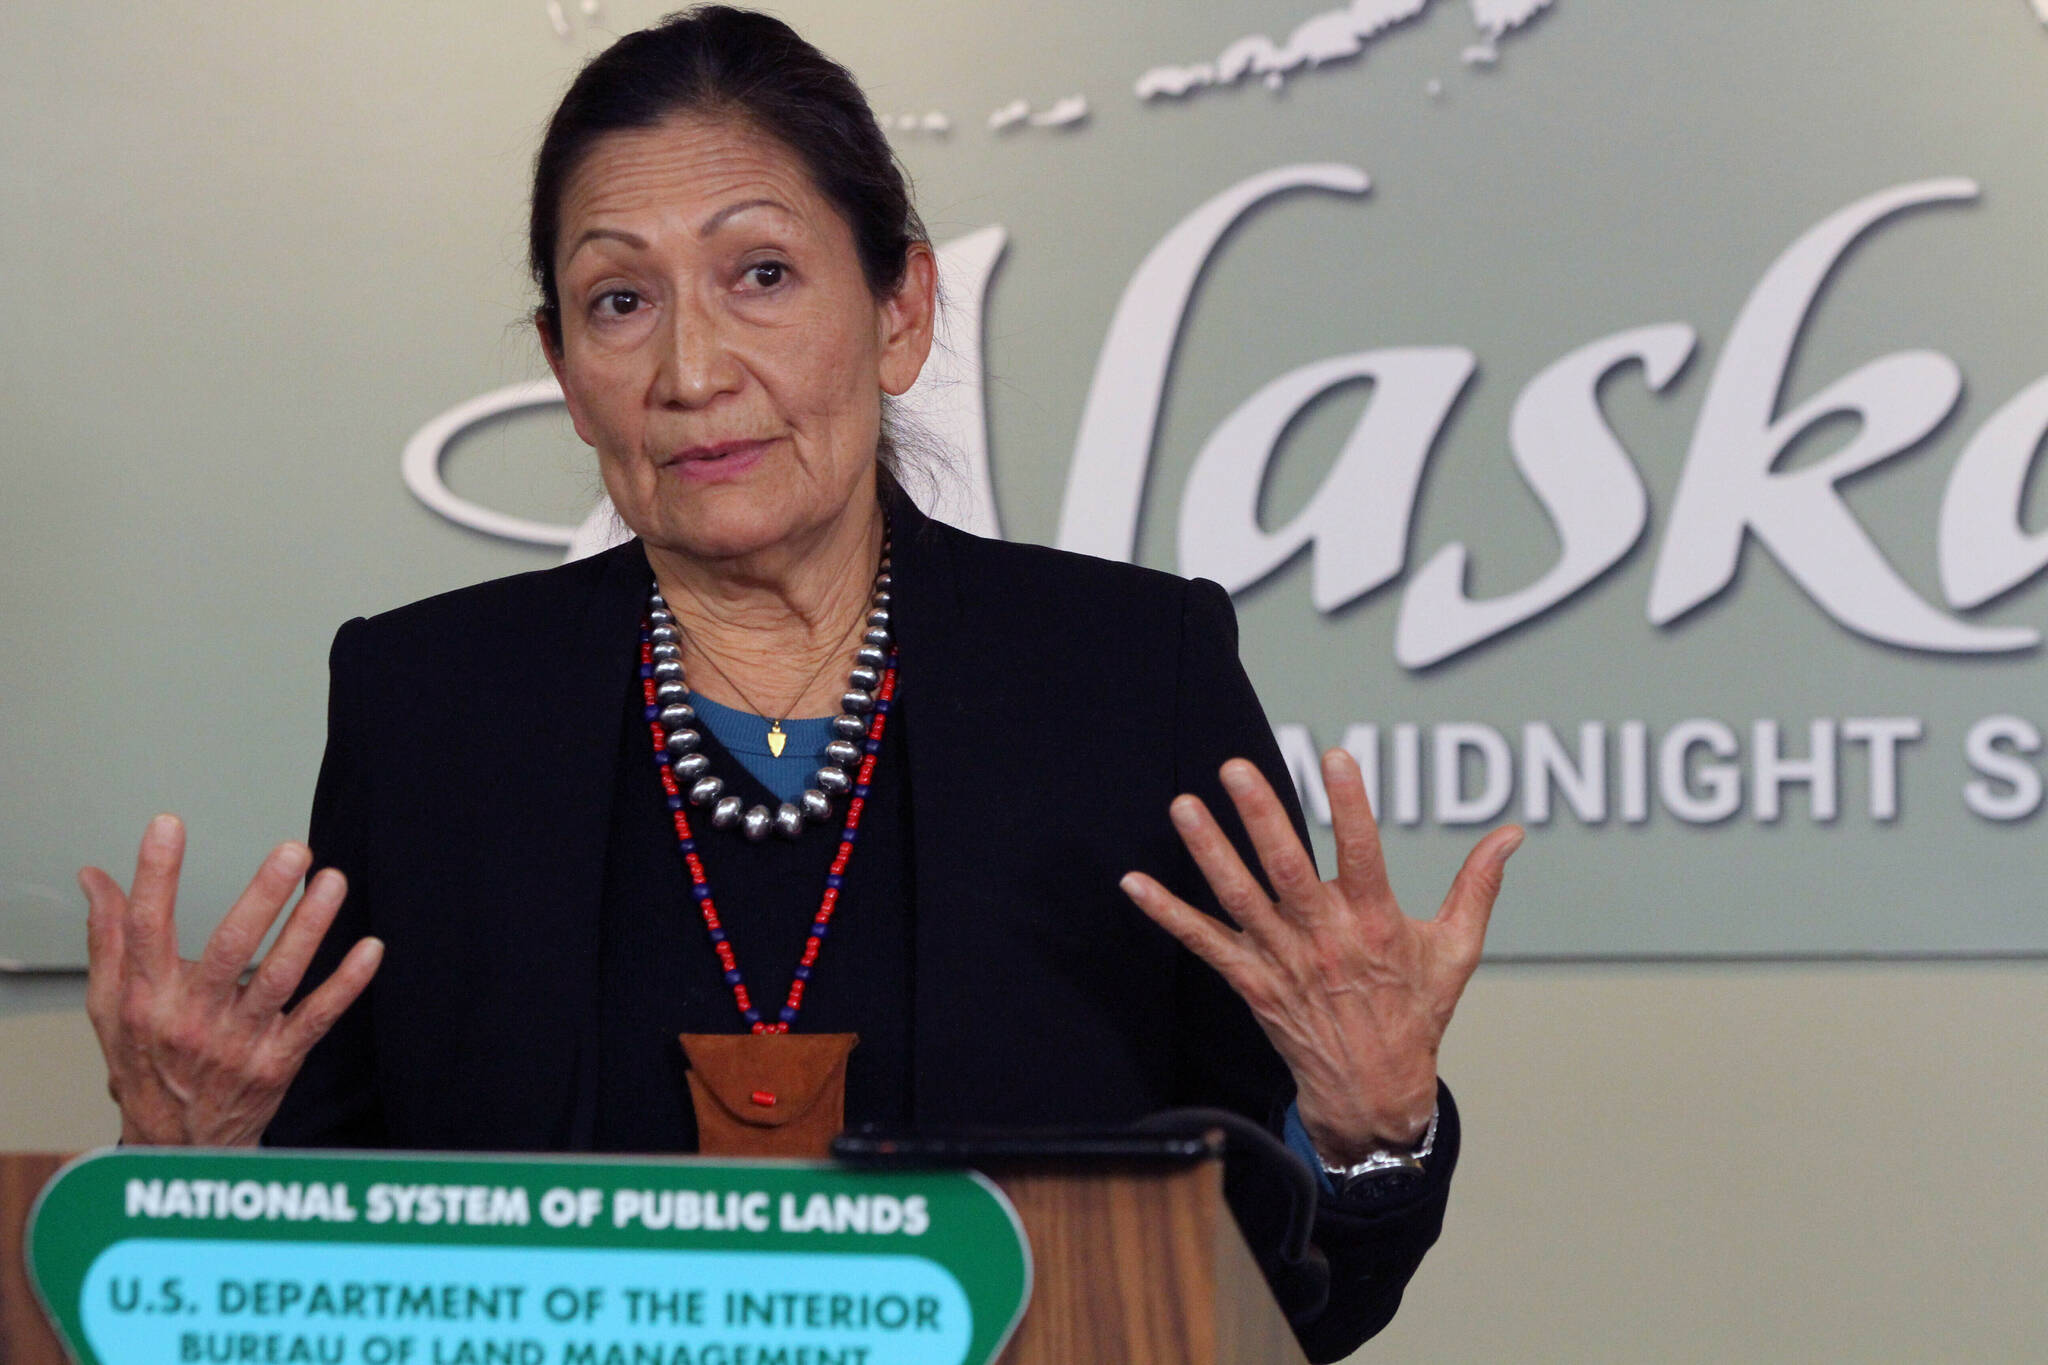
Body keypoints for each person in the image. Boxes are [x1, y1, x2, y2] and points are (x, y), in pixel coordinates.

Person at [78, 8, 1520, 1358]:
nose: (694, 368)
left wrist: (1369, 1124)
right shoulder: (433, 707)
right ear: (568, 374)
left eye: (760, 275)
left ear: (900, 310)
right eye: (621, 299)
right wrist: (179, 1173)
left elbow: (1296, 1301)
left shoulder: (1132, 677)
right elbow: (304, 1281)